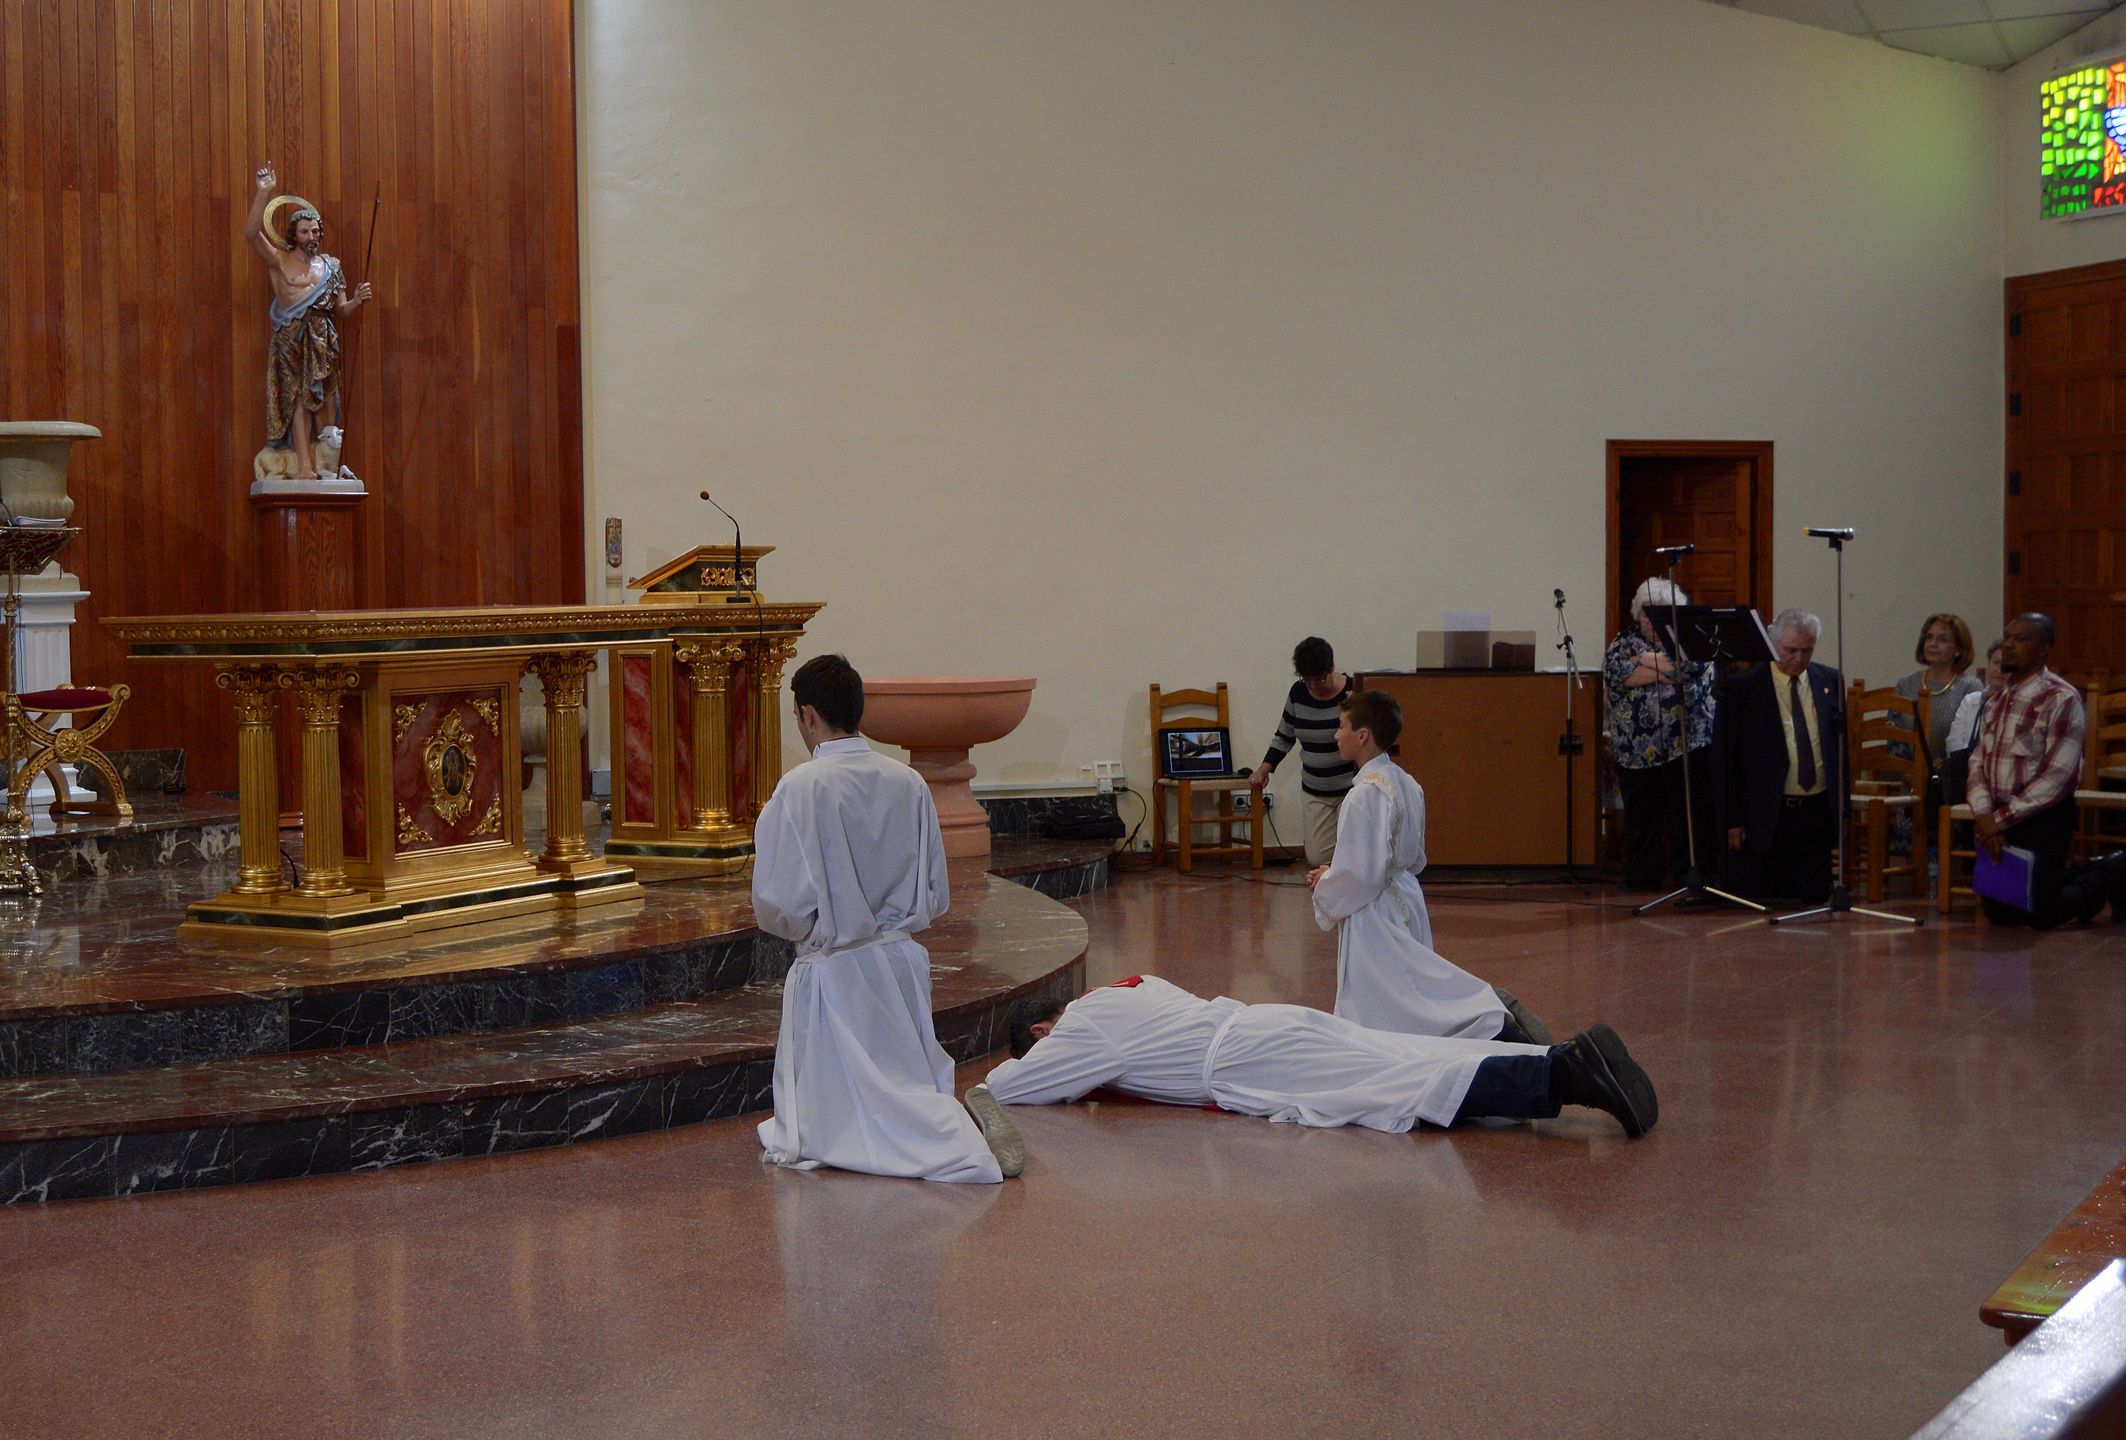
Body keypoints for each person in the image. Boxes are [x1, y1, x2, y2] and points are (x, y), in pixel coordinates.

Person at [752, 653, 1025, 1182]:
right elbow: (935, 891)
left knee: (843, 1119)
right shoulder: (908, 782)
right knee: (904, 1078)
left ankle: (958, 1140)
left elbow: (779, 901)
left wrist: (810, 934)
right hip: (899, 960)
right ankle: (951, 1121)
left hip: (833, 966)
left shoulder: (802, 788)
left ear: (808, 715)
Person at [987, 975, 1657, 1139]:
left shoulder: (1079, 1027)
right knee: (1403, 1054)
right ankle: (1561, 1056)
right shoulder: (1131, 987)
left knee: (1398, 1088)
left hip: (1250, 1061)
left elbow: (1014, 1088)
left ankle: (1566, 1074)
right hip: (1266, 1023)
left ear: (1045, 1028)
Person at [1306, 690, 1549, 1045]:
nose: (1335, 735)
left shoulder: (1364, 794)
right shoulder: (1405, 782)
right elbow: (1407, 857)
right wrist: (1340, 869)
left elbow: (1360, 876)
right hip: (1404, 896)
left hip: (1376, 914)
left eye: (1341, 726)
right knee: (1416, 984)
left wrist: (1326, 879)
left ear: (1363, 735)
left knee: (1396, 1002)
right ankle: (1490, 1018)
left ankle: (1492, 1021)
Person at [1965, 614, 2126, 928]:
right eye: (2007, 637)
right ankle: (2090, 874)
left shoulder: (2060, 698)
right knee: (2000, 912)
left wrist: (1996, 821)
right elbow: (1977, 762)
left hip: (2042, 818)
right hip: (1999, 817)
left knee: (2041, 914)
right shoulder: (1997, 699)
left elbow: (2057, 779)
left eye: (2021, 639)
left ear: (2043, 650)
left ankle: (2109, 873)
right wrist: (1984, 814)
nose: (2008, 645)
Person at [242, 162, 372, 480]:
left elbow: (340, 311)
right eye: (305, 231)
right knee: (300, 399)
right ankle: (303, 466)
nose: (312, 236)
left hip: (323, 336)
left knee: (325, 400)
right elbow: (250, 233)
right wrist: (263, 193)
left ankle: (326, 464)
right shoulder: (278, 260)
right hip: (291, 337)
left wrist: (356, 300)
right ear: (293, 235)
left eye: (315, 231)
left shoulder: (331, 265)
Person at [1602, 577, 1718, 891]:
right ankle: (1642, 876)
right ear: (1637, 613)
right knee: (1641, 818)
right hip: (1635, 747)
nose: (1652, 619)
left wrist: (1640, 665)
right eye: (1646, 612)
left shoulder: (1695, 639)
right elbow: (1615, 675)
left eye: (1662, 612)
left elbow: (1694, 673)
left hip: (1687, 742)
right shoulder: (1622, 642)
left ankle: (1688, 877)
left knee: (1687, 816)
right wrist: (1664, 666)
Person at [1722, 609, 1843, 903]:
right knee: (1763, 897)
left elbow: (1839, 750)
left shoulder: (1830, 680)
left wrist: (1842, 809)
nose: (1798, 659)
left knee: (1813, 897)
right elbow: (1726, 759)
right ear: (1773, 643)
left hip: (1814, 810)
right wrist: (1731, 819)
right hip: (1767, 812)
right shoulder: (1744, 686)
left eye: (1807, 650)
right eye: (1791, 650)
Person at [1248, 637, 1356, 866]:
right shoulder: (1298, 693)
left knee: (1354, 853)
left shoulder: (1353, 692)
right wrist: (1264, 769)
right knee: (1318, 858)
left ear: (1332, 667)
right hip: (1315, 789)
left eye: (1319, 678)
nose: (1314, 685)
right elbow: (1284, 736)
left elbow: (1369, 739)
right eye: (1307, 679)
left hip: (1352, 788)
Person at [1893, 613, 1984, 771]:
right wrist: (1909, 770)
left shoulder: (1970, 686)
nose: (1933, 644)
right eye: (1929, 637)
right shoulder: (1906, 683)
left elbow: (1971, 741)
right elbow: (1893, 733)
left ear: (1958, 650)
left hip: (1951, 776)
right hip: (1906, 774)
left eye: (1943, 639)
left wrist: (1943, 764)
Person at [1939, 636, 2006, 808]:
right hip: (1966, 771)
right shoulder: (1972, 700)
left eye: (2005, 665)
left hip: (1997, 773)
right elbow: (1953, 740)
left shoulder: (2017, 704)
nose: (1999, 669)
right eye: (1996, 663)